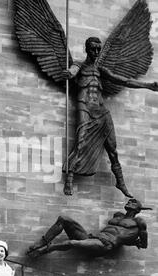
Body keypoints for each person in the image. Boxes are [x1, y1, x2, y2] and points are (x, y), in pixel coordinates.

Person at [62, 37, 158, 198]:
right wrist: (69, 73)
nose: (96, 52)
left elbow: (124, 80)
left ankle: (120, 182)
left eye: (98, 49)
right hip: (84, 106)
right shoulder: (79, 64)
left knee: (112, 148)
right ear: (87, 49)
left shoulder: (101, 70)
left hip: (101, 110)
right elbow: (72, 71)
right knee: (81, 141)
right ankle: (69, 179)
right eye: (93, 49)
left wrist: (147, 86)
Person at [27, 198, 152, 257]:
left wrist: (134, 242)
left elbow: (142, 243)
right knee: (64, 218)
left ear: (138, 209)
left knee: (72, 242)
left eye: (133, 202)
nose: (129, 202)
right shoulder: (117, 215)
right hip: (93, 238)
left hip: (106, 245)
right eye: (129, 201)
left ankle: (44, 251)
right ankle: (43, 241)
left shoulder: (139, 222)